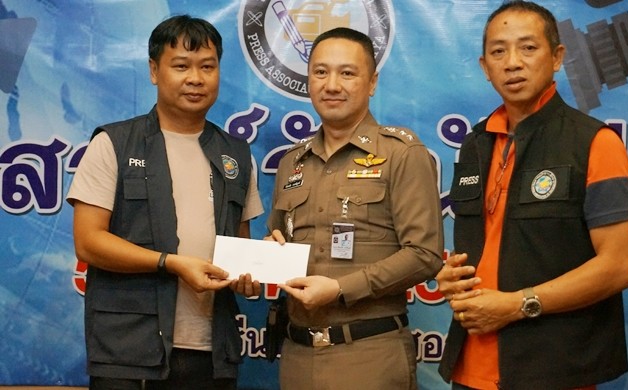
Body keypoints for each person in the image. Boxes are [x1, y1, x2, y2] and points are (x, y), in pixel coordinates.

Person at [437, 2, 628, 389]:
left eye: (528, 48)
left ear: (557, 57)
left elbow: (620, 265)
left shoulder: (595, 142)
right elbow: (487, 247)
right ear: (485, 67)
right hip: (470, 366)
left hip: (553, 369)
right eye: (499, 51)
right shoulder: (475, 144)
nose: (513, 62)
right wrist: (454, 279)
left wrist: (517, 304)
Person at [67, 15, 263, 390]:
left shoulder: (237, 155)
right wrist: (170, 263)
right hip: (130, 352)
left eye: (208, 66)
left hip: (212, 353)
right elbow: (88, 241)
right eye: (181, 66)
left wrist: (254, 271)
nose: (196, 78)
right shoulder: (114, 143)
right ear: (154, 71)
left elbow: (240, 248)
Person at [265, 27, 443, 390]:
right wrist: (267, 257)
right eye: (320, 72)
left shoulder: (401, 153)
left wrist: (340, 288)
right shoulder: (291, 162)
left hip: (368, 353)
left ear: (372, 82)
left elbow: (425, 255)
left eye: (347, 73)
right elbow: (279, 239)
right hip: (297, 354)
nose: (332, 85)